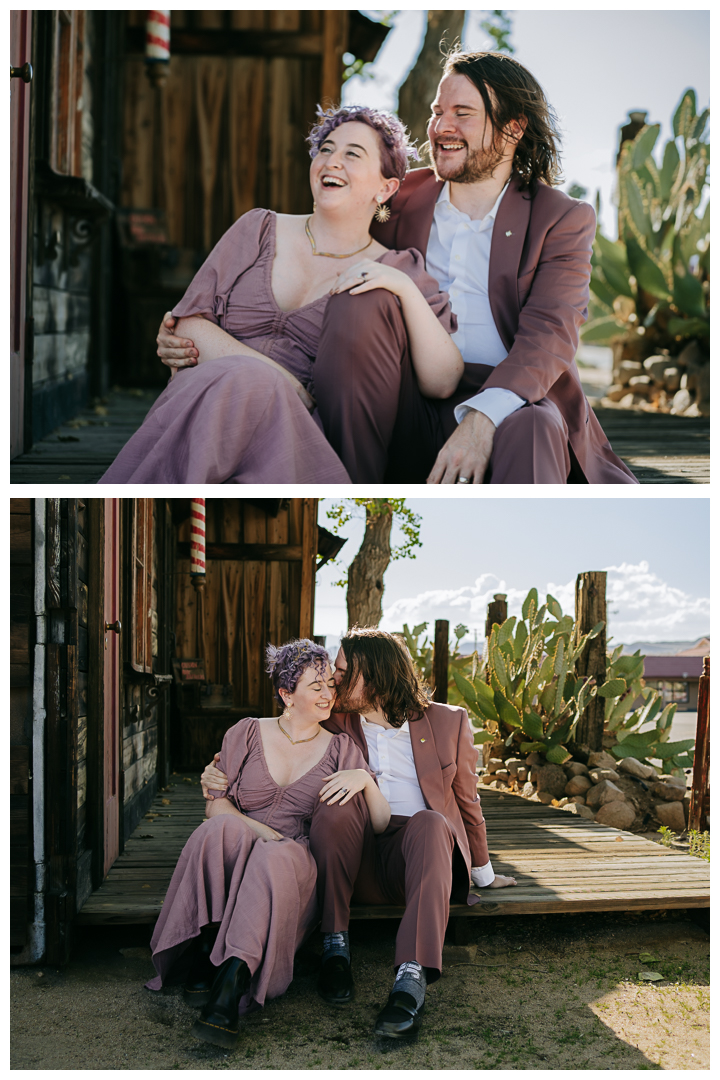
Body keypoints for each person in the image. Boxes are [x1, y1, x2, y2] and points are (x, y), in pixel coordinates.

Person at [160, 50, 637, 484]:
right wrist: (202, 334)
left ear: (513, 128)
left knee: (533, 426)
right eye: (437, 112)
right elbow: (318, 250)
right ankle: (343, 479)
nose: (441, 126)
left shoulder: (562, 217)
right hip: (401, 392)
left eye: (463, 114)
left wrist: (483, 417)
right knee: (360, 301)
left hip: (513, 396)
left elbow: (551, 334)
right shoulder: (395, 194)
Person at [99, 105, 462, 484]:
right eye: (325, 149)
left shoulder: (398, 268)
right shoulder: (257, 228)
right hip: (208, 408)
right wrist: (281, 380)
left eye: (352, 154)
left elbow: (443, 380)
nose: (332, 161)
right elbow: (187, 325)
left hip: (293, 437)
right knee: (245, 381)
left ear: (385, 188)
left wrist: (403, 288)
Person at [201, 627, 516, 1040]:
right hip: (350, 853)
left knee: (431, 823)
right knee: (336, 804)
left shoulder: (447, 722)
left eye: (346, 672)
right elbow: (274, 737)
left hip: (420, 856)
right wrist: (213, 775)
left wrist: (483, 872)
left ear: (378, 674)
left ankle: (410, 980)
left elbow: (468, 803)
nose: (335, 681)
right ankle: (335, 946)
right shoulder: (331, 718)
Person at [145, 639, 390, 1050]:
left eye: (330, 683)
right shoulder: (245, 733)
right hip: (242, 838)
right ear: (286, 694)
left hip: (293, 861)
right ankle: (205, 948)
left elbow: (380, 824)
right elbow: (214, 807)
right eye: (316, 686)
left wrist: (365, 781)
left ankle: (230, 983)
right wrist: (259, 831)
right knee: (220, 831)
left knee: (276, 858)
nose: (329, 693)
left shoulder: (341, 748)